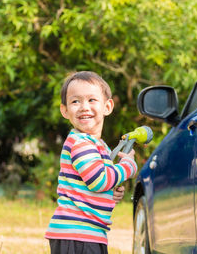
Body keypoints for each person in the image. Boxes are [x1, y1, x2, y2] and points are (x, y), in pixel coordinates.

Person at [45, 71, 137, 254]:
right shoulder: (80, 143)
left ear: (107, 106)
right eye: (75, 101)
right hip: (77, 233)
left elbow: (97, 183)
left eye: (92, 100)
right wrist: (128, 168)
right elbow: (98, 180)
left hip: (86, 233)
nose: (84, 107)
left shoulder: (98, 145)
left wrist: (113, 190)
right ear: (64, 110)